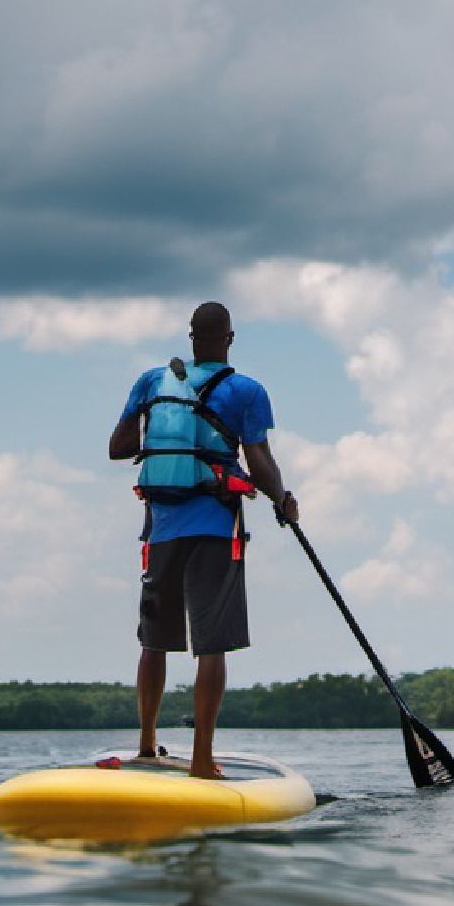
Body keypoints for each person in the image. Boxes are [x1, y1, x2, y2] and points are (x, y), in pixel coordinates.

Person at [108, 301, 298, 779]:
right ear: (229, 339)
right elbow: (259, 460)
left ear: (190, 336)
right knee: (211, 647)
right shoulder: (245, 390)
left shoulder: (154, 382)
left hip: (161, 529)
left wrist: (167, 438)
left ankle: (147, 746)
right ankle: (200, 762)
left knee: (154, 642)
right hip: (215, 528)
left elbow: (118, 448)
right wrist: (283, 501)